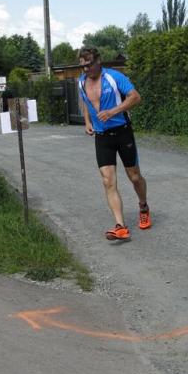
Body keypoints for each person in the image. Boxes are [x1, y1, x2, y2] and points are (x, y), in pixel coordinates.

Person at [77, 46, 151, 241]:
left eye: (89, 65)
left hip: (122, 133)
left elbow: (135, 97)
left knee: (134, 177)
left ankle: (143, 206)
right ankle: (120, 226)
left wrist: (113, 112)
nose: (86, 69)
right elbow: (85, 101)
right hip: (102, 137)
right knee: (108, 181)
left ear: (98, 61)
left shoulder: (114, 77)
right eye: (83, 66)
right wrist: (87, 121)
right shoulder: (81, 81)